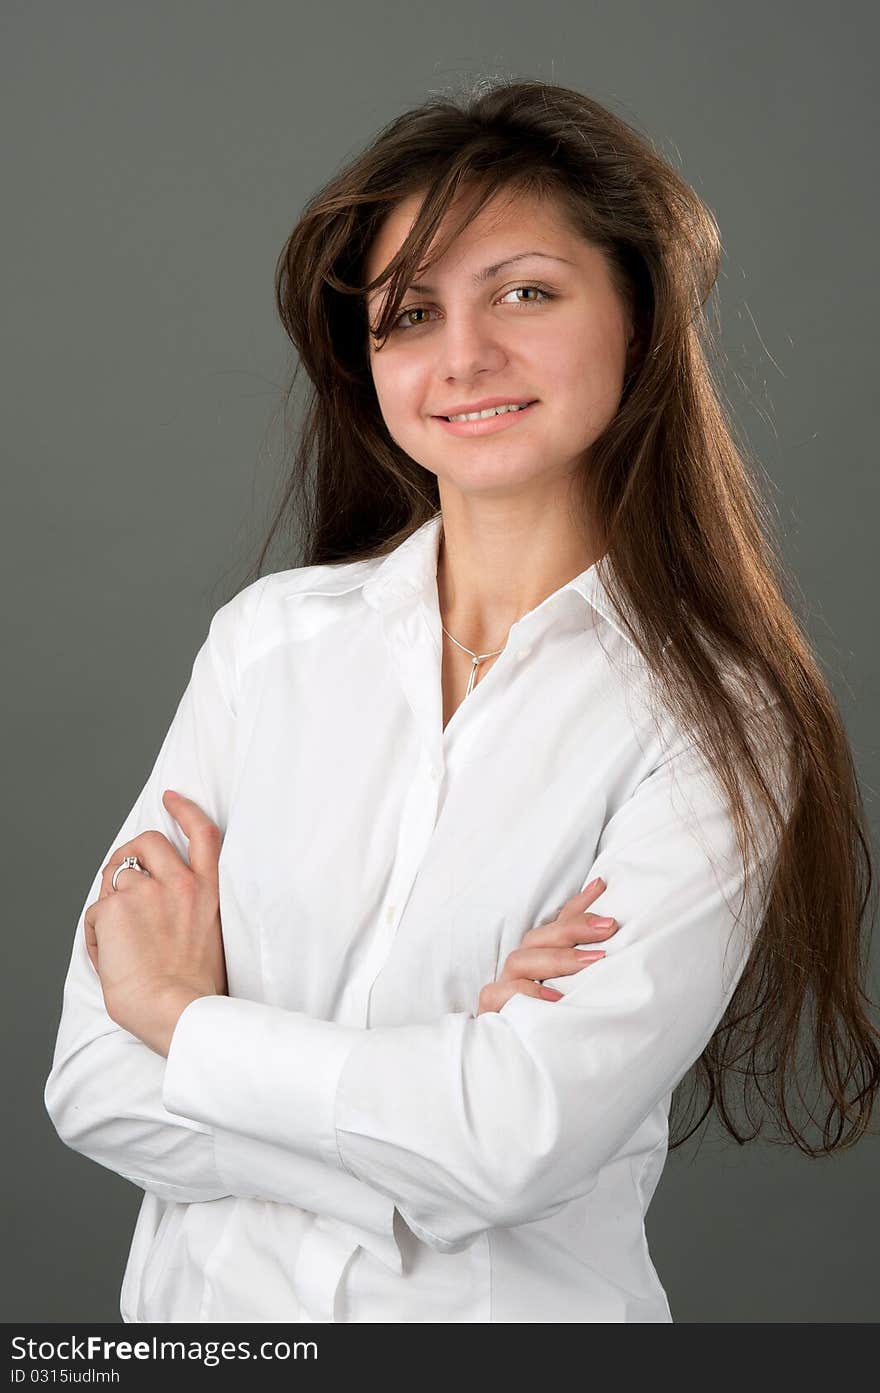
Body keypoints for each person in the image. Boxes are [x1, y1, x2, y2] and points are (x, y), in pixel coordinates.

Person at [44, 78, 878, 1324]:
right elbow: (91, 1082)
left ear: (641, 320)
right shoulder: (264, 649)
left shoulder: (717, 721)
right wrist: (423, 1123)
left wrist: (181, 1016)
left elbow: (510, 1143)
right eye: (408, 316)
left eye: (525, 293)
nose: (464, 356)